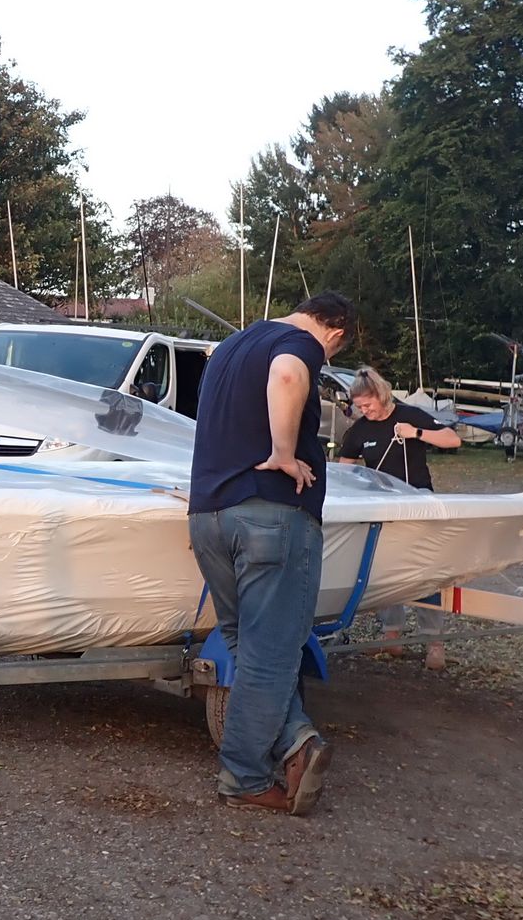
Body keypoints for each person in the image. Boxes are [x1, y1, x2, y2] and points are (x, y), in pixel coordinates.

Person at [188, 291, 354, 816]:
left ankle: (298, 741)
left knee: (243, 641)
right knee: (272, 654)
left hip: (208, 515)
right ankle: (244, 776)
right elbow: (286, 375)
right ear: (336, 331)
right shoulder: (298, 343)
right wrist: (284, 453)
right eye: (335, 351)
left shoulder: (230, 346)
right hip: (270, 516)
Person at [336, 366, 462, 648]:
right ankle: (391, 632)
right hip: (381, 507)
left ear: (381, 395)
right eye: (359, 406)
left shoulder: (410, 415)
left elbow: (453, 440)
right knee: (383, 569)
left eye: (368, 404)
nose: (365, 410)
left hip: (417, 501)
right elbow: (345, 472)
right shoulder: (359, 430)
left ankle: (433, 640)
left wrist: (416, 433)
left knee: (423, 571)